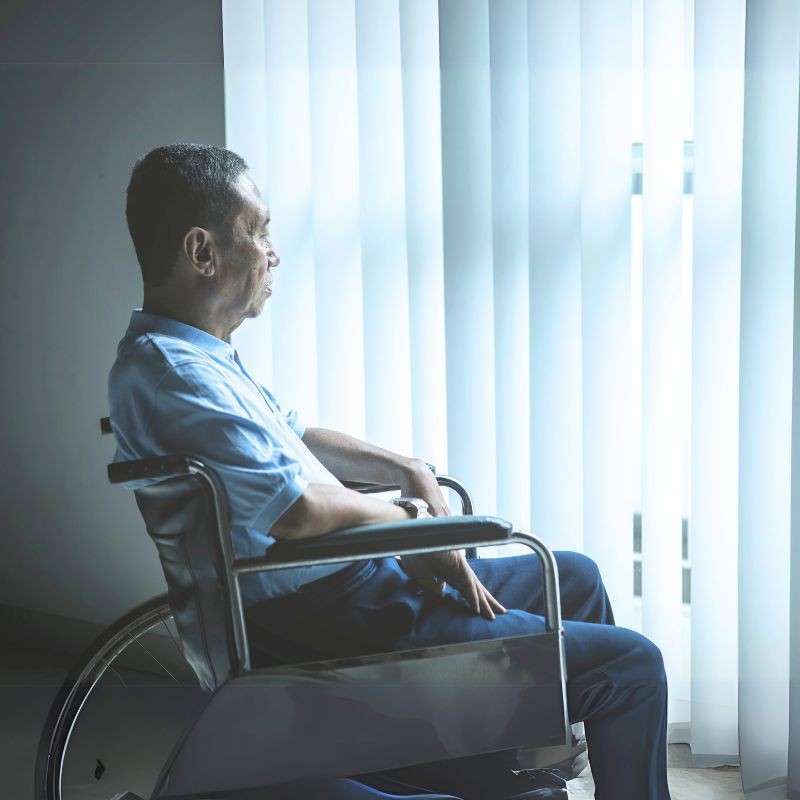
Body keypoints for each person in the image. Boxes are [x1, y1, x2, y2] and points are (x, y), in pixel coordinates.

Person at [109, 143, 671, 800]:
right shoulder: (178, 376)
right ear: (202, 252)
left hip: (357, 585)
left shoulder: (194, 356)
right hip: (342, 614)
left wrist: (406, 469)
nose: (272, 252)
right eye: (258, 232)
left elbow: (297, 435)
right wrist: (416, 524)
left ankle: (521, 756)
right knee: (635, 665)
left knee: (575, 577)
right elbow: (297, 513)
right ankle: (526, 751)